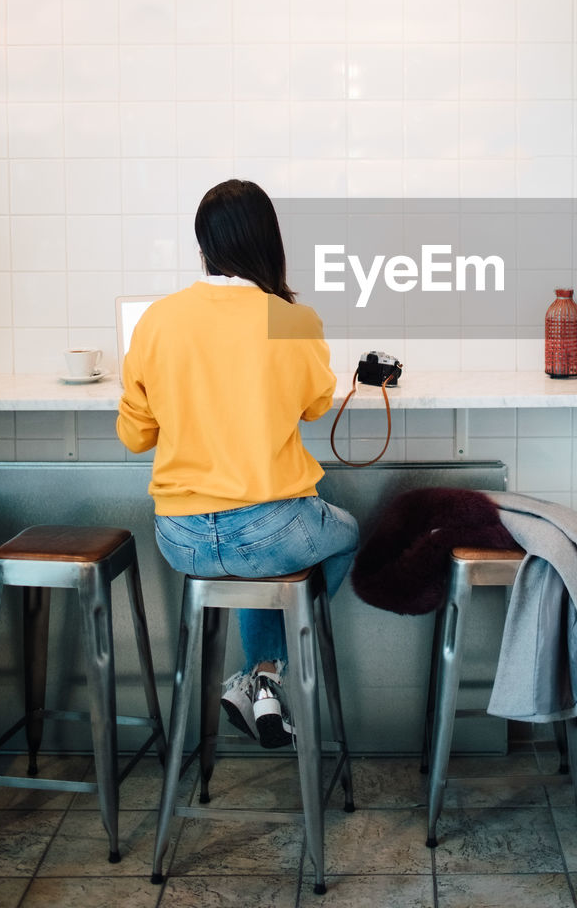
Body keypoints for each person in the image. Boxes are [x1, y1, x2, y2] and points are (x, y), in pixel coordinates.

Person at [116, 178, 358, 748]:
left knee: (256, 570)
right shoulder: (289, 319)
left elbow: (135, 436)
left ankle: (259, 681)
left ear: (203, 244)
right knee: (342, 537)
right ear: (268, 242)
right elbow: (317, 405)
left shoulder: (157, 320)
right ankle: (267, 674)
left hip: (181, 537)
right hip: (271, 531)